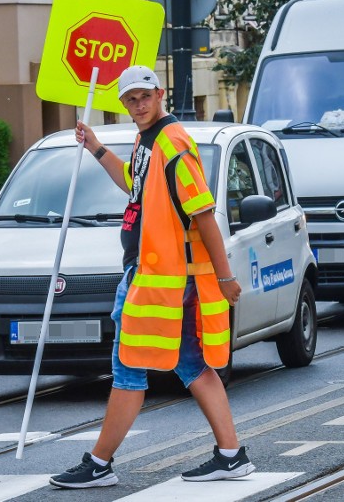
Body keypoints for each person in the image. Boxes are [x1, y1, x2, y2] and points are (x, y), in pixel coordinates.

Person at [49, 65, 252, 489]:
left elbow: (204, 214)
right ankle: (232, 455)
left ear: (160, 94)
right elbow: (136, 186)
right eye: (130, 100)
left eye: (144, 97)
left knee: (128, 367)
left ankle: (99, 463)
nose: (138, 105)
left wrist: (225, 276)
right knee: (191, 362)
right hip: (155, 275)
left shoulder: (172, 143)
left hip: (159, 279)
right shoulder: (149, 140)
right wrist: (98, 149)